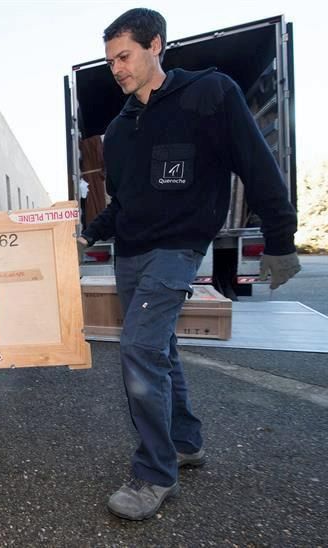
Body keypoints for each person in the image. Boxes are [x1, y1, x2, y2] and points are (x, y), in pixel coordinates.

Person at [78, 8, 300, 521]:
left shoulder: (209, 93)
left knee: (137, 348)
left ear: (156, 45)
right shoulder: (120, 129)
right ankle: (185, 442)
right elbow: (122, 203)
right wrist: (88, 233)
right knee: (162, 350)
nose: (116, 68)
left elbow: (254, 160)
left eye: (124, 56)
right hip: (130, 254)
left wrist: (279, 237)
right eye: (110, 60)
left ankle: (155, 474)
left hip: (177, 248)